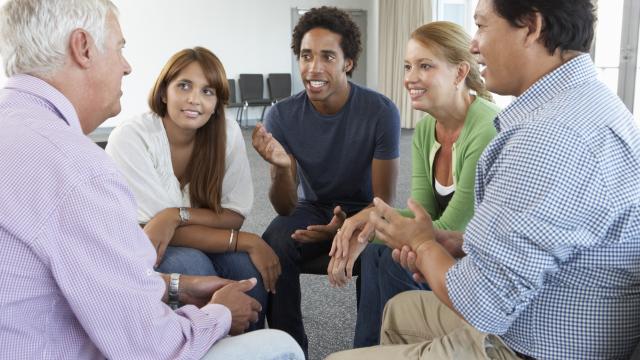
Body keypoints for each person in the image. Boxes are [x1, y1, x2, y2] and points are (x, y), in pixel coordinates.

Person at [328, 0, 640, 359]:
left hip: (530, 346)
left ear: (532, 27)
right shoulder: (584, 103)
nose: (474, 44)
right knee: (398, 311)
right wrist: (453, 241)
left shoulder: (549, 136)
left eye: (481, 26)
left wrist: (425, 246)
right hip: (543, 316)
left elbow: (481, 302)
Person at [0, 1, 303, 359]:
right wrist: (220, 314)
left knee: (235, 269)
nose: (127, 66)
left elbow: (94, 279)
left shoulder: (20, 131)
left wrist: (177, 286)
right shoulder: (79, 169)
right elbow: (152, 347)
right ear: (83, 47)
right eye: (119, 48)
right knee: (281, 347)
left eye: (207, 91)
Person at [327, 21, 499, 348]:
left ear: (460, 73)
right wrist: (363, 224)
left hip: (475, 260)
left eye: (425, 66)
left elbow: (449, 227)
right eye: (408, 66)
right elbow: (421, 212)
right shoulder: (425, 130)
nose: (410, 78)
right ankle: (371, 350)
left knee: (390, 253)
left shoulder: (485, 127)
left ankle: (402, 349)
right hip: (443, 248)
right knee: (379, 253)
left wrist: (367, 229)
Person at [251, 6, 401, 355]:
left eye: (327, 57)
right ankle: (290, 347)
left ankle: (369, 350)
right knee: (274, 240)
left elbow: (384, 203)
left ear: (348, 62)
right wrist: (283, 167)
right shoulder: (282, 114)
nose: (313, 68)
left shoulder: (380, 111)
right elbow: (285, 205)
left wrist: (344, 228)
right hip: (312, 206)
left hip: (366, 209)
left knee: (384, 249)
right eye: (306, 56)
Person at [106, 47, 278, 329]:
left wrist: (174, 216)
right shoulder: (131, 138)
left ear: (217, 102)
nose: (194, 99)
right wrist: (247, 240)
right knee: (193, 265)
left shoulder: (226, 132)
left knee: (247, 272)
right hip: (141, 247)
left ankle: (252, 348)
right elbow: (154, 230)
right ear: (164, 92)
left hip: (197, 236)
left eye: (207, 91)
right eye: (184, 86)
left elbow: (233, 214)